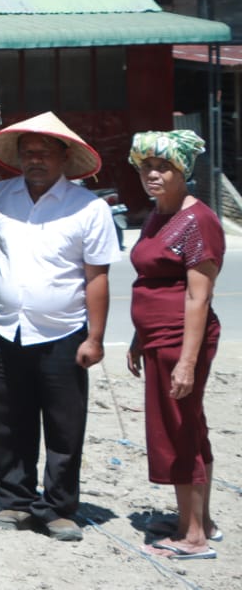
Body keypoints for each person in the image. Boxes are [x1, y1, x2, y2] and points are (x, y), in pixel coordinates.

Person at [0, 113, 118, 543]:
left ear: (64, 157)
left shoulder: (88, 208)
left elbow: (97, 277)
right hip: (7, 330)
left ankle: (57, 509)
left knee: (63, 425)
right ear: (18, 157)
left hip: (64, 332)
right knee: (7, 421)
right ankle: (15, 501)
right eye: (28, 152)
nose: (35, 160)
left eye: (45, 152)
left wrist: (95, 337)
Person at [127, 129, 224, 562]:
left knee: (178, 431)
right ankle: (198, 519)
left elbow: (197, 295)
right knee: (188, 426)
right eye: (146, 165)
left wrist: (186, 361)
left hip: (178, 341)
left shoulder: (196, 219)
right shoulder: (159, 212)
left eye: (163, 166)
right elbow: (152, 280)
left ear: (183, 170)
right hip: (156, 339)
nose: (153, 173)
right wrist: (135, 336)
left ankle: (194, 537)